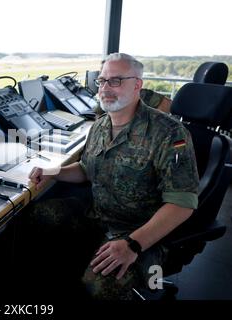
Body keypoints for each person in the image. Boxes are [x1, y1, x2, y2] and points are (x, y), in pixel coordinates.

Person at [22, 53, 199, 300]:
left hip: (143, 235)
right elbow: (86, 169)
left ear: (137, 84)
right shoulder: (100, 126)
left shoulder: (169, 133)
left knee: (98, 286)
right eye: (102, 80)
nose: (105, 88)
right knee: (35, 217)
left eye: (115, 81)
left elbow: (182, 204)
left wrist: (133, 245)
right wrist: (53, 172)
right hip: (99, 217)